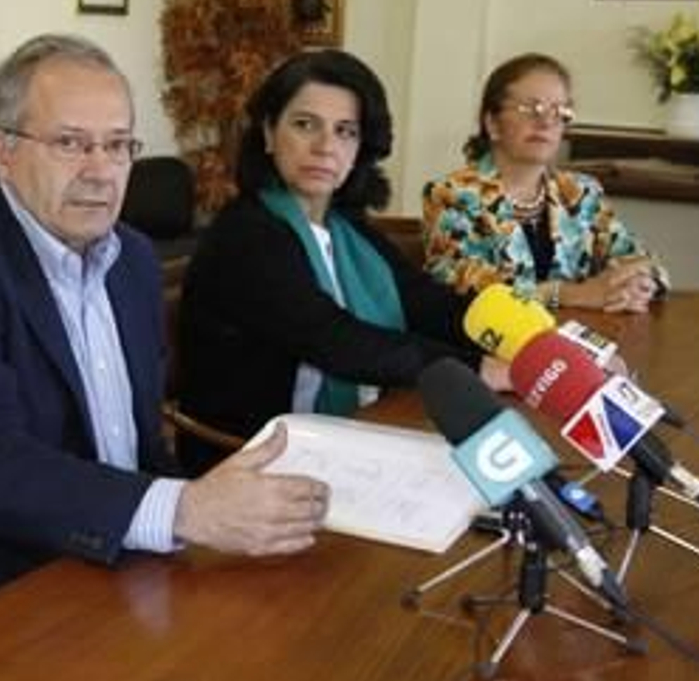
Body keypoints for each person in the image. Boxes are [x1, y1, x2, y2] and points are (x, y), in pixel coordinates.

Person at [0, 34, 329, 637]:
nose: (100, 171)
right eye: (69, 143)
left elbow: (135, 448)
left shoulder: (133, 261)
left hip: (95, 565)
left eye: (118, 146)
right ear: (0, 151)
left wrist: (205, 506)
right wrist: (187, 510)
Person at [175, 50, 502, 474]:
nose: (325, 146)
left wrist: (522, 343)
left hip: (349, 436)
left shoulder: (347, 230)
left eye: (345, 131)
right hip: (251, 462)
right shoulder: (245, 236)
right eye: (305, 124)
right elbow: (336, 340)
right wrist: (475, 369)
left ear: (360, 148)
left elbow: (426, 303)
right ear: (270, 134)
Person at [421, 52, 664, 312]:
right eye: (531, 109)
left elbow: (638, 258)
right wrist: (569, 294)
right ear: (492, 123)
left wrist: (638, 284)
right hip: (490, 346)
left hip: (580, 340)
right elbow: (462, 284)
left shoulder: (581, 192)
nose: (546, 121)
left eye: (559, 111)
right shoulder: (451, 194)